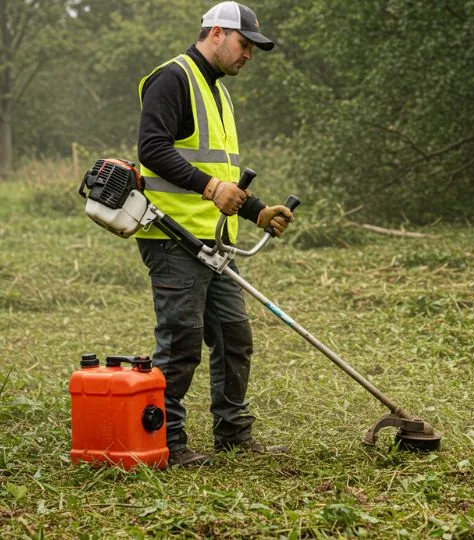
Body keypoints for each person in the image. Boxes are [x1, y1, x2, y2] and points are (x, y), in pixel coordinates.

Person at [135, 1, 294, 467]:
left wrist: (259, 213)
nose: (248, 55)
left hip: (215, 241)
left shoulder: (219, 92)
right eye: (245, 44)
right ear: (218, 33)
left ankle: (233, 432)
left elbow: (222, 176)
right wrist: (208, 187)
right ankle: (168, 442)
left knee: (233, 335)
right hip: (171, 235)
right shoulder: (173, 78)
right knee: (181, 339)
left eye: (253, 49)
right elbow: (151, 149)